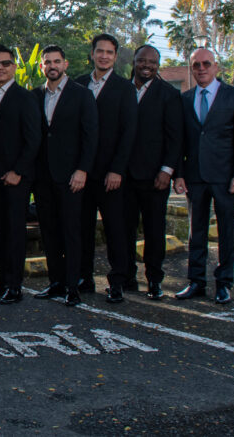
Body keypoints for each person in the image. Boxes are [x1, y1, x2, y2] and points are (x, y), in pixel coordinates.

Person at [174, 47, 234, 305]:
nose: (201, 69)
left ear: (216, 66)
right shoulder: (185, 99)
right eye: (196, 65)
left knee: (226, 231)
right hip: (195, 177)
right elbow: (180, 141)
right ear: (191, 69)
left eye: (206, 64)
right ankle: (196, 281)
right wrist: (179, 174)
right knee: (196, 232)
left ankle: (224, 283)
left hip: (225, 177)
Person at [32, 45, 98, 307]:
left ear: (65, 64)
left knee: (71, 232)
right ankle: (55, 283)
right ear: (42, 67)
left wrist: (83, 169)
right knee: (49, 232)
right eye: (47, 62)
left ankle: (72, 287)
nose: (52, 66)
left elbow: (90, 136)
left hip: (71, 176)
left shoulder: (82, 95)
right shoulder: (35, 95)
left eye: (56, 61)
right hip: (43, 176)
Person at [74, 33, 137, 303]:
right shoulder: (78, 84)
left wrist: (117, 169)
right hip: (82, 173)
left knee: (115, 229)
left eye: (109, 52)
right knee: (82, 228)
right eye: (100, 51)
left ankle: (117, 281)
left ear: (115, 56)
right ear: (92, 54)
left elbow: (129, 132)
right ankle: (84, 277)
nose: (104, 56)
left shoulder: (125, 89)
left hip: (111, 173)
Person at [0, 45, 41, 305]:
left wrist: (18, 171)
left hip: (16, 178)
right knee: (0, 232)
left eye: (5, 63)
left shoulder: (25, 98)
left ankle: (14, 286)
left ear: (14, 67)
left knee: (15, 232)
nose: (0, 68)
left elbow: (33, 139)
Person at [125, 44, 182, 300]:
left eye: (152, 62)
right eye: (142, 60)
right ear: (134, 62)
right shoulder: (122, 90)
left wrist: (167, 170)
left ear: (158, 65)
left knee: (154, 231)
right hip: (123, 176)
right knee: (123, 229)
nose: (147, 65)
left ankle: (154, 280)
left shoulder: (169, 94)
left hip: (155, 177)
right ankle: (126, 277)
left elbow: (175, 137)